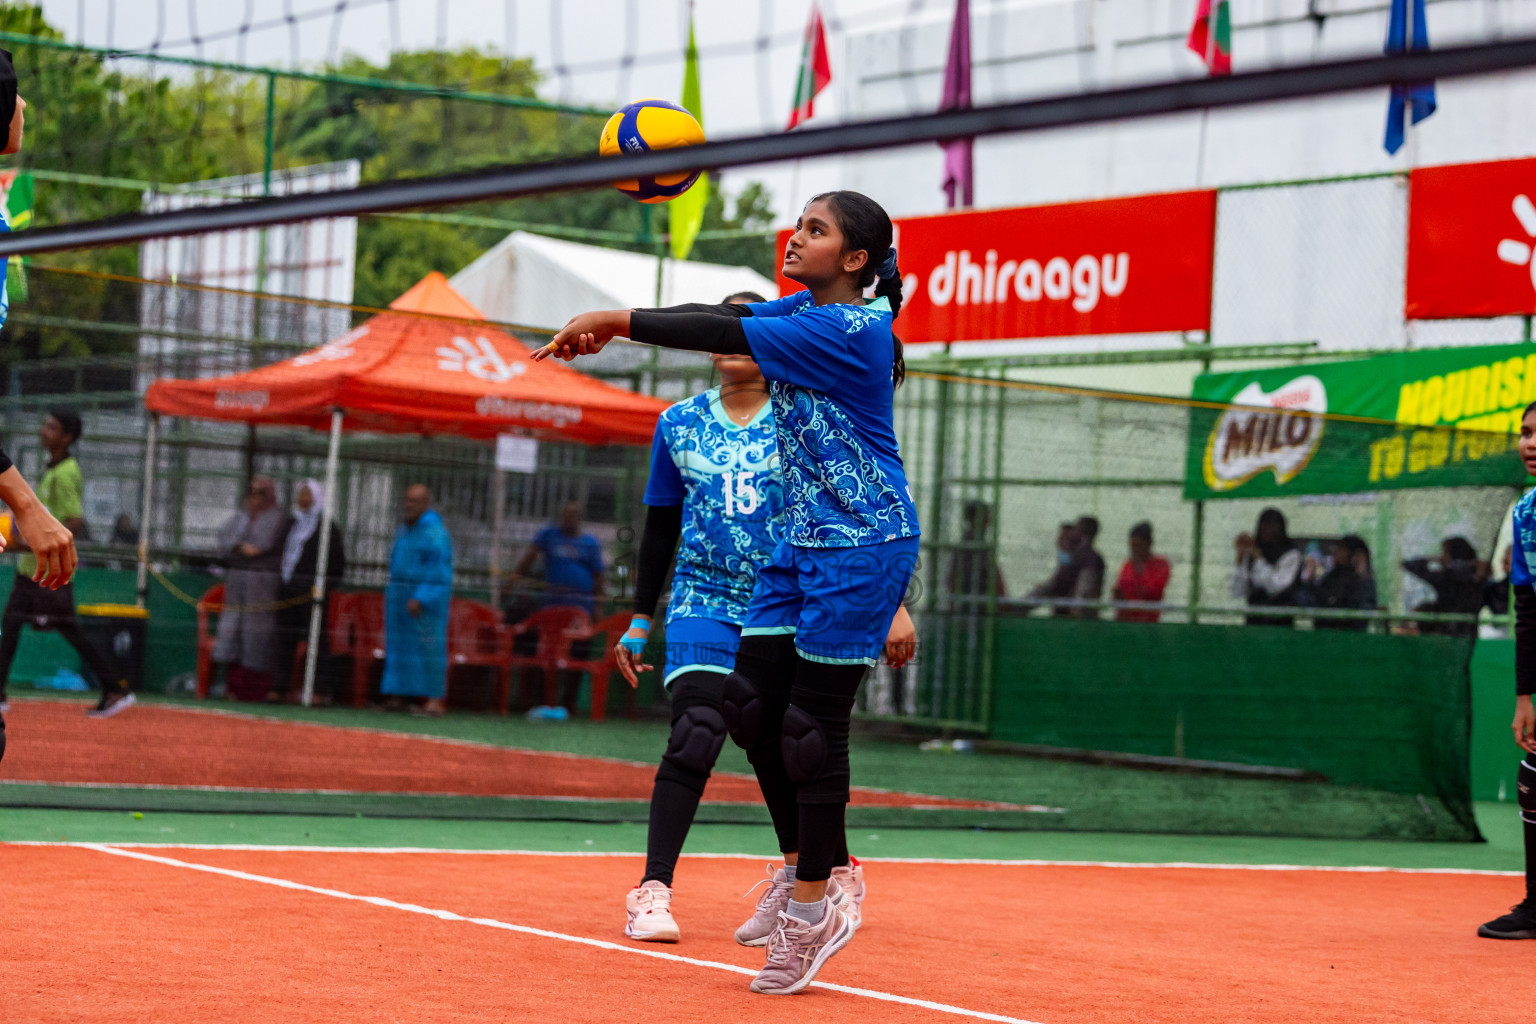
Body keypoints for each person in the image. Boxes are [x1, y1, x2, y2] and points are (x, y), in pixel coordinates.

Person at [537, 190, 919, 995]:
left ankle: (817, 903)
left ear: (855, 259)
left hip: (859, 542)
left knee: (815, 731)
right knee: (751, 705)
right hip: (797, 540)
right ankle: (812, 869)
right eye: (799, 224)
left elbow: (720, 330)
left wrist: (614, 317)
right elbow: (721, 315)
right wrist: (625, 316)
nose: (796, 237)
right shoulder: (800, 308)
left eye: (816, 230)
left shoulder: (848, 328)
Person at [616, 291, 913, 946]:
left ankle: (810, 870)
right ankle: (653, 889)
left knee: (779, 738)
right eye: (723, 329)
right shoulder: (679, 424)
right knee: (698, 727)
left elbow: (860, 509)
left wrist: (893, 603)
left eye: (745, 330)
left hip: (787, 598)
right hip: (703, 596)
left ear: (775, 347)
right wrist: (640, 617)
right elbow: (660, 527)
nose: (729, 340)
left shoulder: (808, 422)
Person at [0, 408, 134, 718]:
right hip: (28, 569)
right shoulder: (52, 470)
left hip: (46, 569)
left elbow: (73, 522)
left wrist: (34, 543)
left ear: (67, 437)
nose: (44, 431)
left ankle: (114, 688)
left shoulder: (67, 472)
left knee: (68, 629)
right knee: (11, 625)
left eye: (52, 427)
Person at [1479, 400, 1536, 939]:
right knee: (1535, 778)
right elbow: (1529, 610)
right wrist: (1525, 696)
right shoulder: (1525, 515)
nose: (1530, 442)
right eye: (1524, 432)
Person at [508, 499, 605, 717]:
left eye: (574, 515)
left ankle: (568, 703)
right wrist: (513, 579)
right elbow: (529, 558)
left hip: (581, 611)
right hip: (552, 610)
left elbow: (599, 577)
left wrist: (598, 607)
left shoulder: (590, 543)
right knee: (546, 653)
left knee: (579, 655)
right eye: (565, 514)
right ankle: (542, 702)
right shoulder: (549, 536)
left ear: (579, 519)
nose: (569, 518)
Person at [214, 475, 289, 701]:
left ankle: (255, 691)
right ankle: (232, 689)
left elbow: (267, 547)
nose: (255, 498)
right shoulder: (240, 516)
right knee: (233, 630)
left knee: (257, 635)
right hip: (238, 583)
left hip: (262, 585)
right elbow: (224, 539)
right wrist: (239, 546)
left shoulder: (277, 519)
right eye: (252, 492)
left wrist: (252, 550)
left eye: (261, 493)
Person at [381, 484, 453, 716]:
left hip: (423, 603)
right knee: (398, 647)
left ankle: (434, 700)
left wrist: (422, 597)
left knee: (428, 649)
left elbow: (439, 571)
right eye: (406, 499)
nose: (408, 505)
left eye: (414, 501)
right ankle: (398, 696)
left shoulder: (435, 533)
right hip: (398, 598)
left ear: (425, 503)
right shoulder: (404, 530)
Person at [272, 479, 346, 702]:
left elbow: (337, 563)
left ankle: (319, 690)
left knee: (317, 640)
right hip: (287, 590)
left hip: (311, 593)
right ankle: (280, 687)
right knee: (284, 638)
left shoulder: (327, 528)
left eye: (308, 495)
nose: (303, 500)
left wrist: (322, 587)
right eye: (300, 495)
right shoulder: (291, 523)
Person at [1231, 507, 1301, 627]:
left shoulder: (1291, 554)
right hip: (1254, 619)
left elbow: (1275, 586)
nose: (1267, 530)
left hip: (1280, 620)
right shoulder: (1253, 551)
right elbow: (1238, 591)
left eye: (1272, 526)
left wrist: (1259, 560)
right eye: (1264, 525)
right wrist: (1241, 558)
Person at [1403, 536, 1485, 637]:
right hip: (1470, 635)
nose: (1442, 556)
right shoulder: (1478, 576)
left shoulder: (1446, 577)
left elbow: (1410, 565)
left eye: (1445, 553)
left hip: (1447, 631)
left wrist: (1433, 559)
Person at [1028, 516, 1104, 619]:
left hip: (1075, 621)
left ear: (1082, 533)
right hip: (1074, 619)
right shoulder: (1084, 558)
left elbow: (1083, 593)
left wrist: (1019, 606)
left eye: (1076, 529)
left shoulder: (1081, 559)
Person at [1309, 535, 1377, 631]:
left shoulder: (1363, 582)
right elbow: (1315, 602)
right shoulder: (1332, 577)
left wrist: (1363, 576)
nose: (1336, 552)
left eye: (1341, 549)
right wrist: (1309, 581)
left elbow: (1365, 612)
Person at [1112, 521, 1170, 623]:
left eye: (1137, 545)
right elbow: (1120, 588)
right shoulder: (1128, 565)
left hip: (1148, 622)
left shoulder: (1161, 564)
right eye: (1131, 545)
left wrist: (1139, 567)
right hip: (1125, 621)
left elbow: (1152, 591)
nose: (1133, 550)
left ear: (1148, 544)